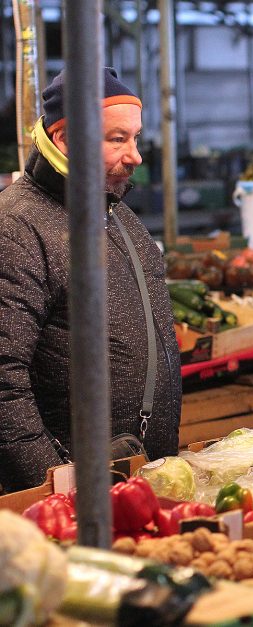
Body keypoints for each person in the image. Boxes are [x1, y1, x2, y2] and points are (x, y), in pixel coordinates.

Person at [0, 68, 182, 491]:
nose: (135, 155)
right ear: (64, 139)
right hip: (67, 490)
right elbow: (3, 379)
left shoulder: (120, 217)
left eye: (135, 138)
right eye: (117, 139)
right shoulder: (17, 226)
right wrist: (57, 484)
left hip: (133, 476)